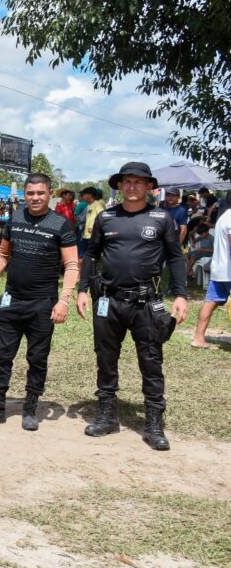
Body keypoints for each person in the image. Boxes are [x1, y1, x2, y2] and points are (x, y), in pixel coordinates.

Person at [76, 162, 188, 451]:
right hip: (109, 301)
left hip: (146, 303)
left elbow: (176, 257)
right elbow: (91, 255)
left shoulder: (161, 218)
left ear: (149, 187)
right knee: (105, 358)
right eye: (127, 181)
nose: (132, 186)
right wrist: (82, 290)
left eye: (138, 182)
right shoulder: (106, 217)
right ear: (119, 185)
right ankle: (106, 416)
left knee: (151, 361)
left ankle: (153, 423)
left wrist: (180, 295)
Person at [0, 174, 79, 431]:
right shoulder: (15, 218)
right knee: (1, 356)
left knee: (37, 358)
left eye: (40, 193)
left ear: (50, 194)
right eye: (30, 193)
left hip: (42, 304)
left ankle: (31, 408)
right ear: (24, 194)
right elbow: (3, 254)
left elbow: (71, 265)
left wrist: (64, 301)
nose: (35, 198)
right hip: (11, 300)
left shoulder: (61, 224)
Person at [191, 194, 231, 349]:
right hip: (228, 270)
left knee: (210, 303)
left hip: (219, 269)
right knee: (210, 303)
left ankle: (198, 338)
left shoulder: (223, 217)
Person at [80, 187, 104, 260]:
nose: (82, 196)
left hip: (94, 236)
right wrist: (84, 230)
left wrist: (96, 231)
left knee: (93, 256)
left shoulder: (97, 205)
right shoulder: (89, 206)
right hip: (87, 235)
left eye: (84, 194)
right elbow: (89, 220)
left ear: (90, 195)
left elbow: (102, 218)